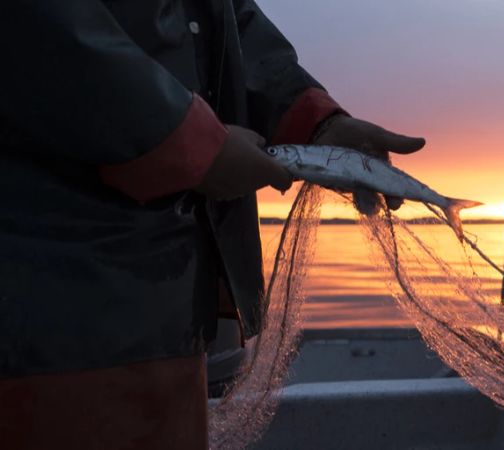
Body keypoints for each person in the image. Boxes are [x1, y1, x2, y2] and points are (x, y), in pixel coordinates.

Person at [0, 1, 424, 448]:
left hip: (170, 306)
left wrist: (315, 121)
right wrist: (191, 143)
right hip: (47, 311)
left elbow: (220, 17)